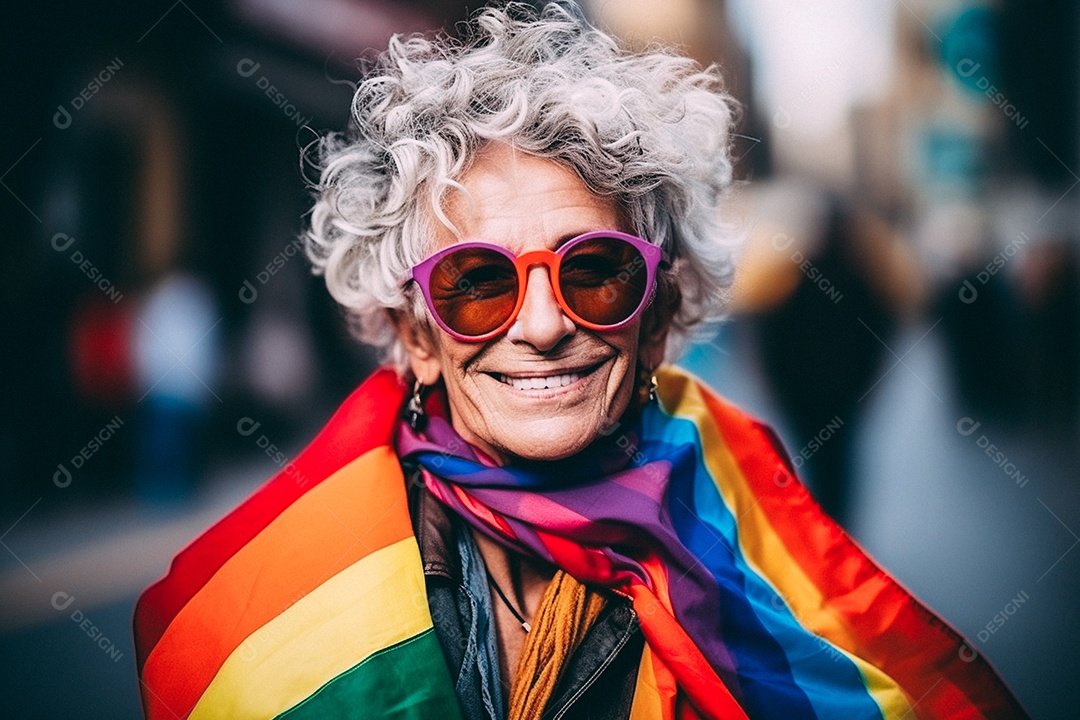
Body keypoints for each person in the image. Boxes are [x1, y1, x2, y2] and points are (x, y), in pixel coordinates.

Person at [133, 4, 1026, 718]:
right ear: (416, 337)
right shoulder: (291, 602)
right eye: (476, 282)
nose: (543, 324)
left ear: (661, 309)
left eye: (594, 272)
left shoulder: (755, 541)